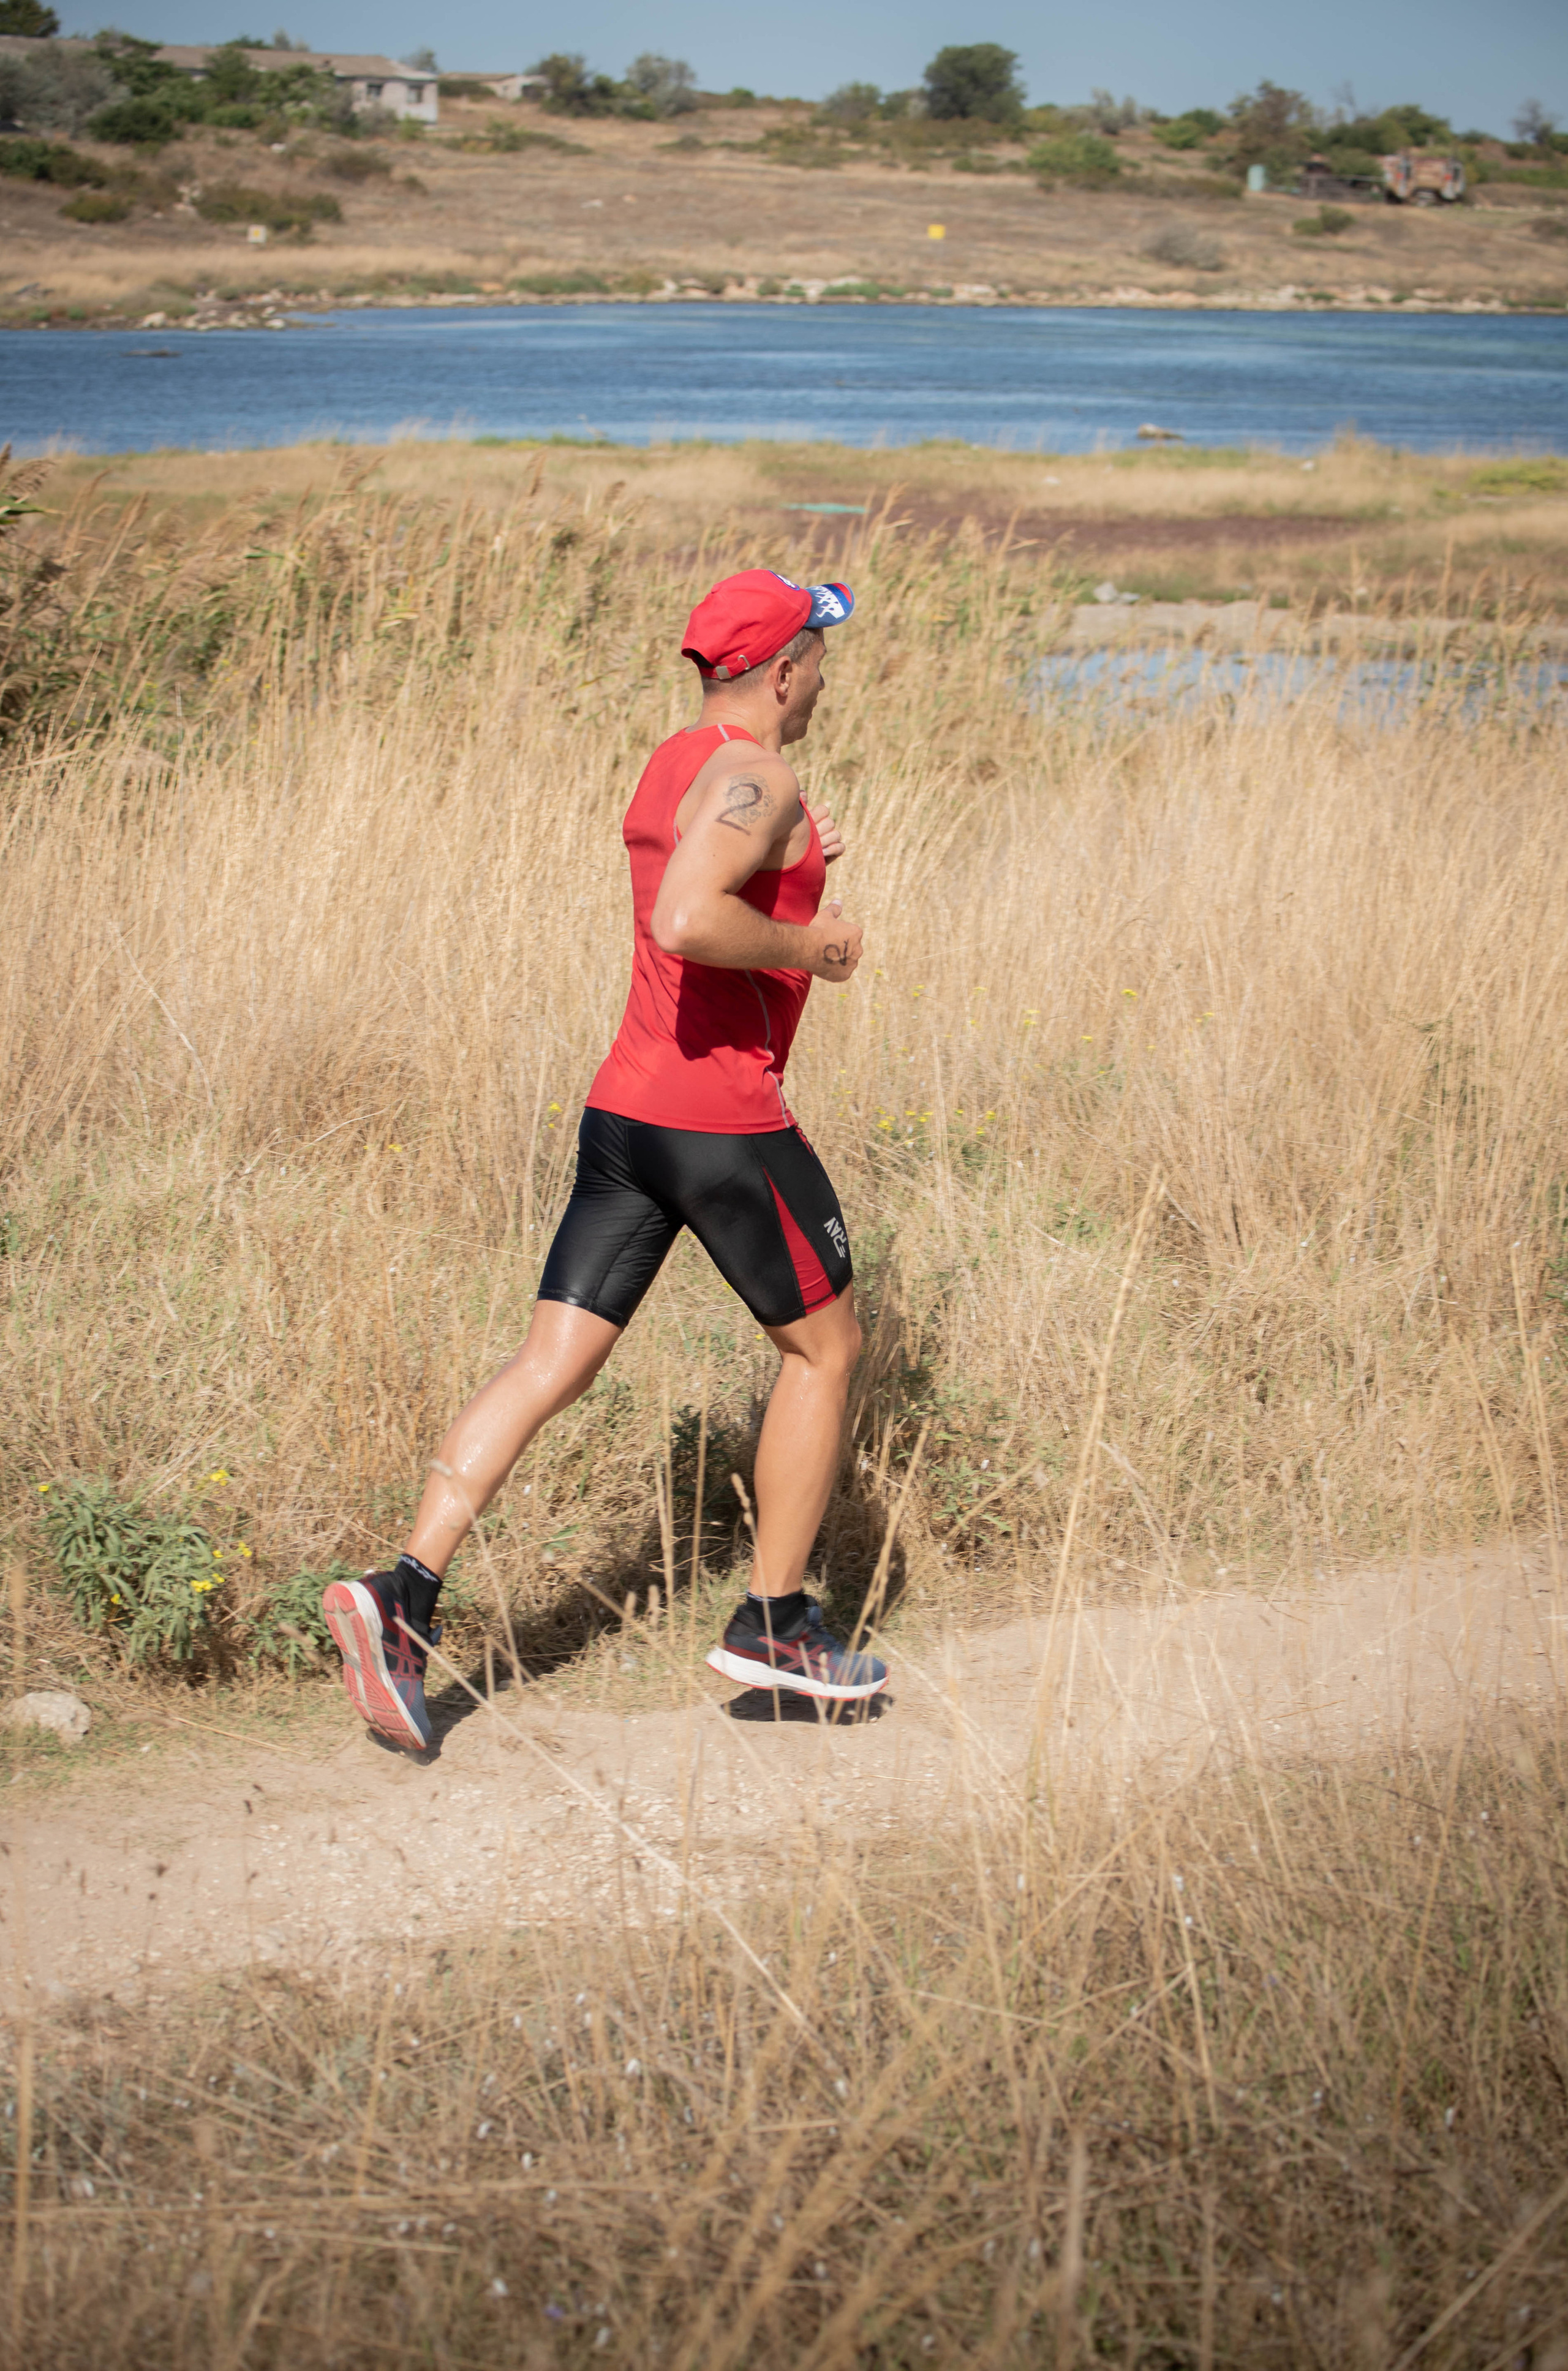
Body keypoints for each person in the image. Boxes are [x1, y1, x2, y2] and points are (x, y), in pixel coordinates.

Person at [323, 567, 886, 1750]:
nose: (827, 679)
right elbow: (688, 918)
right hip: (719, 1120)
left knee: (549, 1361)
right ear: (786, 672)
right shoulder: (759, 774)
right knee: (826, 1350)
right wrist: (818, 945)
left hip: (626, 1113)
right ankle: (777, 1625)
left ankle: (402, 1597)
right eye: (820, 659)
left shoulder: (678, 763)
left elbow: (702, 869)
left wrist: (798, 864)